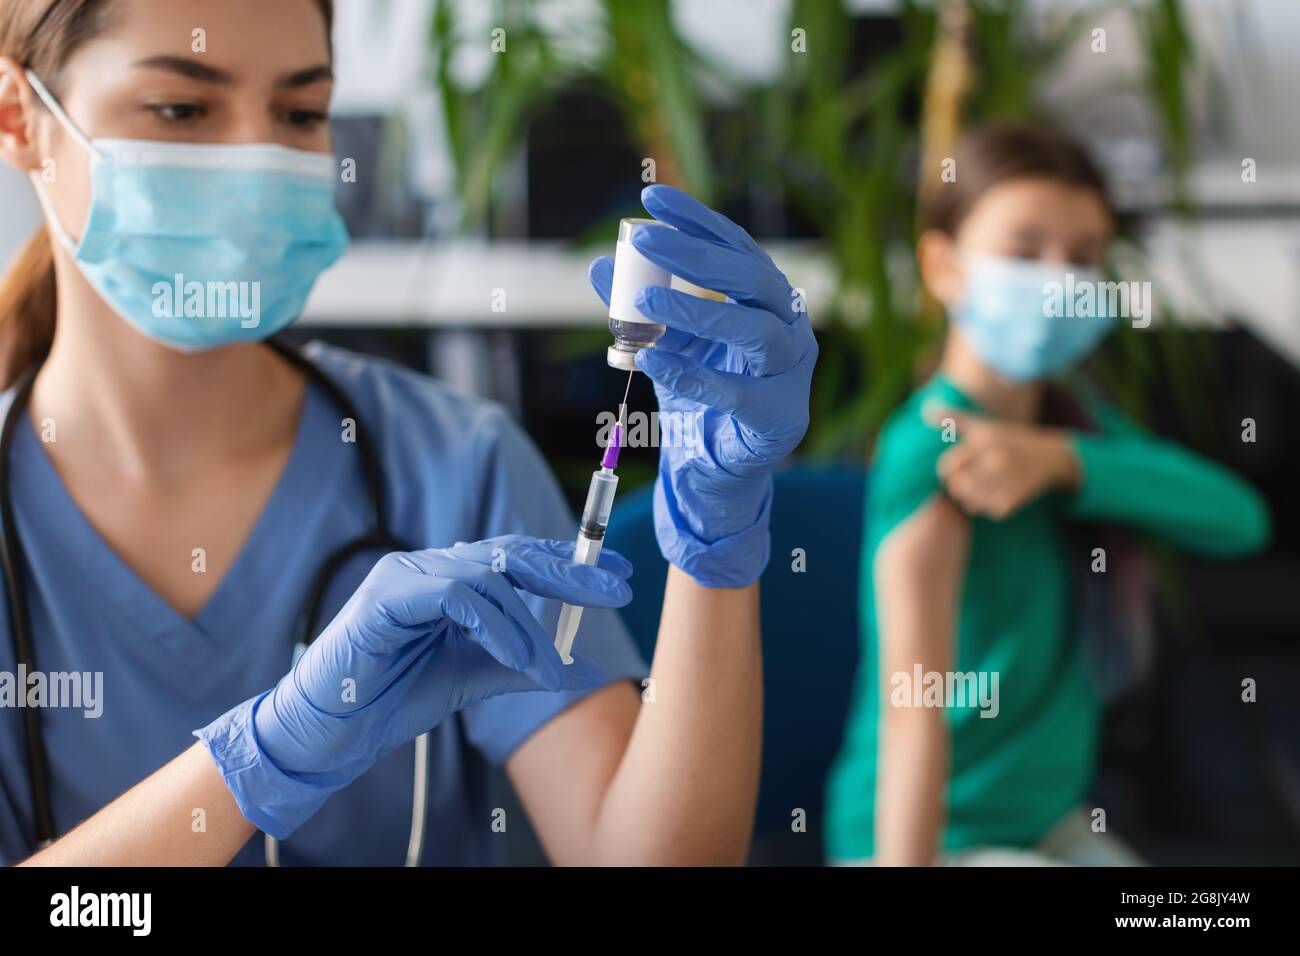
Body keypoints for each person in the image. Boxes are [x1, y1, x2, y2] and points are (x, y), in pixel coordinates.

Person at [0, 0, 817, 866]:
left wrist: (715, 547)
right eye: (182, 108)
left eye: (300, 112)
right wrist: (262, 759)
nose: (255, 155)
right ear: (21, 119)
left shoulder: (454, 461)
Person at [824, 122, 1270, 867]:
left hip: (1048, 825)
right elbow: (913, 715)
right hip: (935, 839)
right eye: (1024, 251)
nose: (1060, 280)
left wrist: (1060, 460)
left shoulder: (1074, 431)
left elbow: (1239, 521)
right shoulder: (929, 451)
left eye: (1085, 256)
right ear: (944, 266)